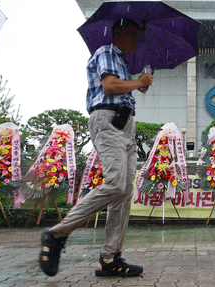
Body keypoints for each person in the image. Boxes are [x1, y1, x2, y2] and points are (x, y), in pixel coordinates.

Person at [39, 18, 153, 277]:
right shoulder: (106, 51)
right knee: (115, 183)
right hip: (107, 120)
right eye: (132, 35)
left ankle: (109, 258)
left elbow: (120, 88)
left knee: (124, 189)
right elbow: (109, 86)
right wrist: (137, 82)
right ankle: (57, 232)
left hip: (126, 124)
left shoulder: (122, 61)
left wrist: (138, 84)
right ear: (118, 32)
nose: (136, 41)